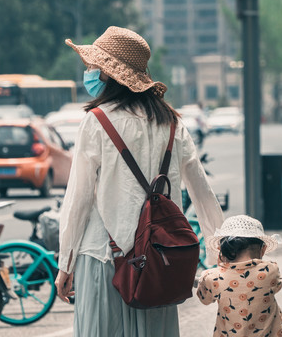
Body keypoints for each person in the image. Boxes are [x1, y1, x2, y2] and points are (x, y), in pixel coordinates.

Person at [55, 26, 225, 336]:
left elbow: (77, 199)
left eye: (94, 66)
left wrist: (65, 263)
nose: (89, 72)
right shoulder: (171, 123)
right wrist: (221, 257)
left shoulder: (96, 122)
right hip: (160, 260)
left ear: (108, 75)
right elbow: (202, 193)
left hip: (104, 256)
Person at [197, 215, 282, 337]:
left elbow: (205, 299)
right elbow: (278, 285)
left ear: (222, 250)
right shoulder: (270, 270)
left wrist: (219, 268)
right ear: (263, 250)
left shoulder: (213, 277)